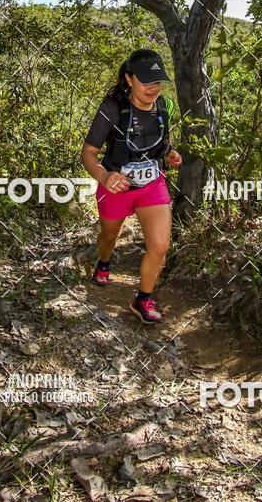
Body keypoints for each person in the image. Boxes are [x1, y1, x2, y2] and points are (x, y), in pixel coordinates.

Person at [80, 49, 182, 324]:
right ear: (129, 78)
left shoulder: (163, 106)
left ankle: (143, 299)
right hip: (116, 187)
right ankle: (103, 261)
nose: (153, 88)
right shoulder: (113, 108)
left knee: (160, 246)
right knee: (109, 238)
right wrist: (104, 178)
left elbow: (161, 141)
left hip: (152, 185)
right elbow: (88, 152)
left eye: (158, 81)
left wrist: (170, 154)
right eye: (146, 81)